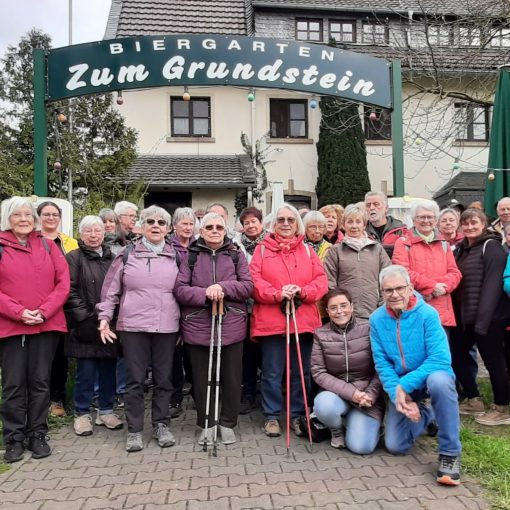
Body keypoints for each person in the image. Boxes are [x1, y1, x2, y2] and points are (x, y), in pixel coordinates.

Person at [97, 205, 180, 452]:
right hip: (133, 326)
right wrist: (104, 317)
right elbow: (110, 291)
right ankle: (134, 430)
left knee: (164, 379)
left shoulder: (177, 256)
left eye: (161, 223)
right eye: (150, 221)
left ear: (168, 229)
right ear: (141, 226)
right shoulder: (126, 254)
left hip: (167, 326)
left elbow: (184, 292)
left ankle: (161, 424)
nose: (156, 226)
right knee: (134, 379)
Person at [370, 265, 462, 486]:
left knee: (440, 381)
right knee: (396, 446)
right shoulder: (376, 319)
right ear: (381, 292)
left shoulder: (428, 314)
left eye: (399, 288)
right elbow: (382, 364)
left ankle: (449, 453)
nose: (394, 295)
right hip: (402, 385)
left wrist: (404, 385)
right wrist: (397, 394)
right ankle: (428, 413)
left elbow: (440, 359)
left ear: (410, 288)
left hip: (429, 377)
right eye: (388, 290)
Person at [0, 197, 70, 463]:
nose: (24, 219)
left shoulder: (48, 245)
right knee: (14, 384)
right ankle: (14, 438)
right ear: (8, 218)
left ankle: (37, 434)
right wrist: (18, 312)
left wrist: (44, 311)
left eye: (28, 215)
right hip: (10, 326)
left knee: (40, 382)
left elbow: (63, 283)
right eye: (17, 215)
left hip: (46, 325)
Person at [174, 212, 253, 445]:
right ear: (201, 231)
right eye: (209, 227)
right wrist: (205, 293)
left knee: (231, 377)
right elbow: (180, 289)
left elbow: (247, 286)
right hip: (198, 324)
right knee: (201, 379)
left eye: (219, 227)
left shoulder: (236, 254)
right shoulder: (191, 256)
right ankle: (207, 423)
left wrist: (223, 287)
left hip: (231, 323)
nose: (215, 231)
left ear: (225, 229)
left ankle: (227, 422)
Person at [250, 203, 328, 438]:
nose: (285, 224)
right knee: (272, 372)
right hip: (272, 321)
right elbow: (254, 281)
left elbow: (321, 281)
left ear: (297, 225)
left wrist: (303, 291)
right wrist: (277, 293)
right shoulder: (261, 250)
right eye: (281, 220)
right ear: (274, 224)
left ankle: (297, 414)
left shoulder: (307, 251)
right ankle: (272, 415)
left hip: (302, 319)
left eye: (290, 220)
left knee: (301, 372)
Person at [451, 209, 510, 425]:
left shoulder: (491, 247)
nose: (469, 227)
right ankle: (473, 399)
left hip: (490, 317)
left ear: (483, 224)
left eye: (474, 222)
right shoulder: (460, 249)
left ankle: (502, 408)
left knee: (493, 362)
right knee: (457, 355)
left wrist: (483, 322)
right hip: (466, 317)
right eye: (465, 223)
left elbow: (493, 286)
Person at [65, 216, 122, 436]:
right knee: (86, 372)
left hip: (110, 324)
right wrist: (87, 317)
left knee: (109, 370)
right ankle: (81, 414)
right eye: (88, 230)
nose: (93, 235)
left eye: (97, 230)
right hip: (84, 324)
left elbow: (119, 289)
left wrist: (110, 317)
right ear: (81, 234)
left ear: (104, 233)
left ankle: (106, 410)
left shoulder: (113, 258)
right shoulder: (73, 257)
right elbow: (69, 290)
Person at [311, 288, 384, 454]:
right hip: (336, 395)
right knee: (323, 405)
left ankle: (356, 423)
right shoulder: (320, 334)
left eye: (344, 305)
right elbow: (319, 372)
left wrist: (371, 395)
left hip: (366, 397)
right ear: (327, 311)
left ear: (351, 306)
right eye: (333, 308)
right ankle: (336, 429)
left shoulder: (369, 328)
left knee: (362, 448)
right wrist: (352, 394)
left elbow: (381, 366)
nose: (339, 311)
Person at [392, 200, 462, 332]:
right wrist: (432, 286)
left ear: (436, 220)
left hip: (441, 312)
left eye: (430, 217)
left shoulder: (444, 244)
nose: (426, 221)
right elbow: (402, 272)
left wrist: (443, 288)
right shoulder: (403, 243)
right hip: (414, 309)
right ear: (414, 219)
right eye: (421, 217)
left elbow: (455, 273)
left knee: (440, 345)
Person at [37, 200, 78, 419]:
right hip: (36, 306)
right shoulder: (32, 241)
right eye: (46, 214)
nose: (51, 218)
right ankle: (36, 401)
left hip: (64, 308)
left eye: (55, 214)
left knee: (59, 357)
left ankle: (56, 398)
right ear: (39, 217)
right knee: (37, 357)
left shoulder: (70, 243)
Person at [324, 203, 390, 320]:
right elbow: (330, 282)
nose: (354, 226)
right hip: (345, 314)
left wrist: (382, 303)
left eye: (358, 222)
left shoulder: (377, 249)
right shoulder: (335, 250)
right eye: (350, 222)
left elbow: (387, 278)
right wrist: (340, 307)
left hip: (375, 311)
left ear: (364, 224)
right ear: (343, 225)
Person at [234, 207, 267, 414]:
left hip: (267, 307)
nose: (251, 226)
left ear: (261, 223)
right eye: (247, 223)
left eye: (254, 221)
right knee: (247, 354)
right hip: (244, 308)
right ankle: (249, 392)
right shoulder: (236, 246)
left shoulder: (271, 244)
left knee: (267, 354)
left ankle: (268, 394)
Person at [168, 207, 197, 418]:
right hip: (172, 304)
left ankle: (198, 394)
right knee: (173, 357)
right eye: (184, 223)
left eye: (191, 224)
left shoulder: (199, 246)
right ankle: (175, 397)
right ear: (174, 226)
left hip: (194, 307)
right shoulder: (168, 247)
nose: (188, 227)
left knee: (194, 356)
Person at [303, 210, 332, 321]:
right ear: (305, 228)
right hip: (303, 301)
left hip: (323, 302)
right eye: (313, 227)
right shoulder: (298, 247)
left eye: (321, 227)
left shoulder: (331, 248)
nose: (317, 231)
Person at [364, 191, 407, 257]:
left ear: (386, 208)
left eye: (376, 204)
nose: (371, 208)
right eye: (368, 205)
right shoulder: (361, 231)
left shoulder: (400, 231)